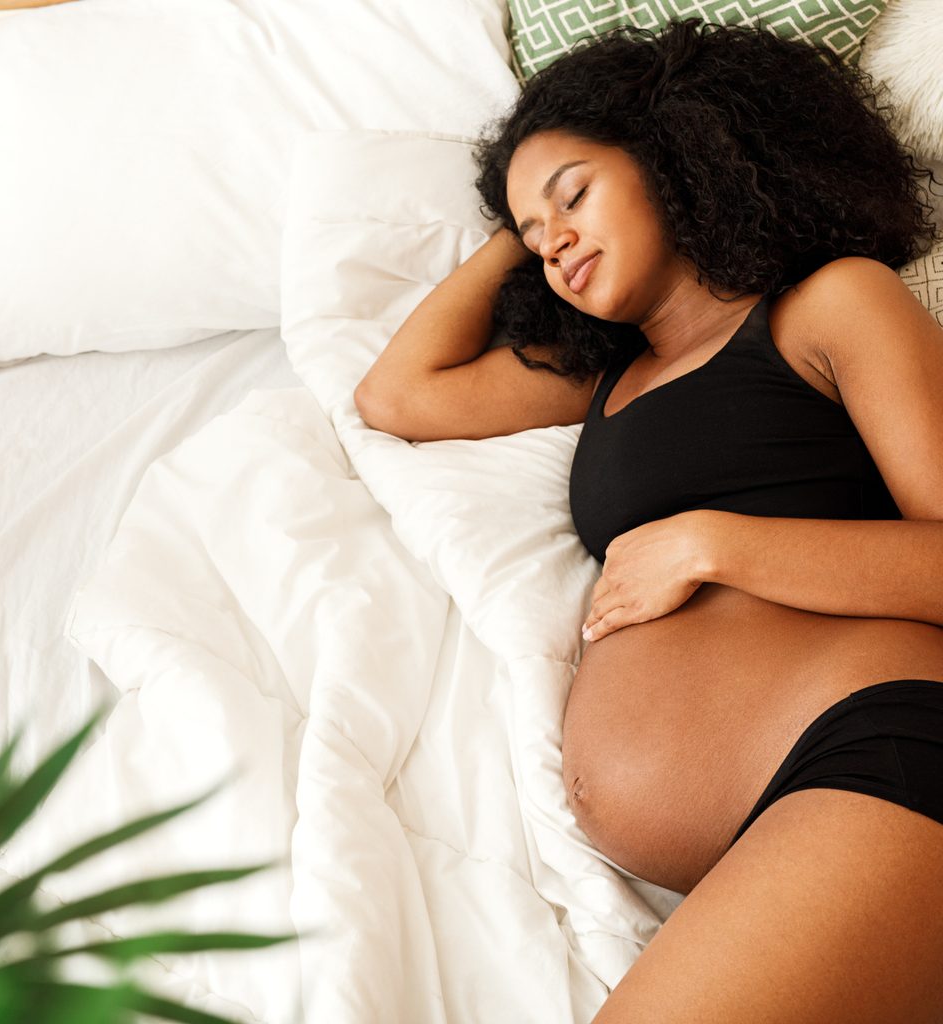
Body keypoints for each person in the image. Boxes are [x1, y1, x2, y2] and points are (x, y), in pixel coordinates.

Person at [354, 17, 943, 1023]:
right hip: (777, 836)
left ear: (676, 155)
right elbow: (397, 396)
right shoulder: (604, 376)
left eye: (574, 194)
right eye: (534, 239)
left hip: (879, 751)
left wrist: (715, 544)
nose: (556, 244)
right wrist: (522, 216)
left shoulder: (827, 308)